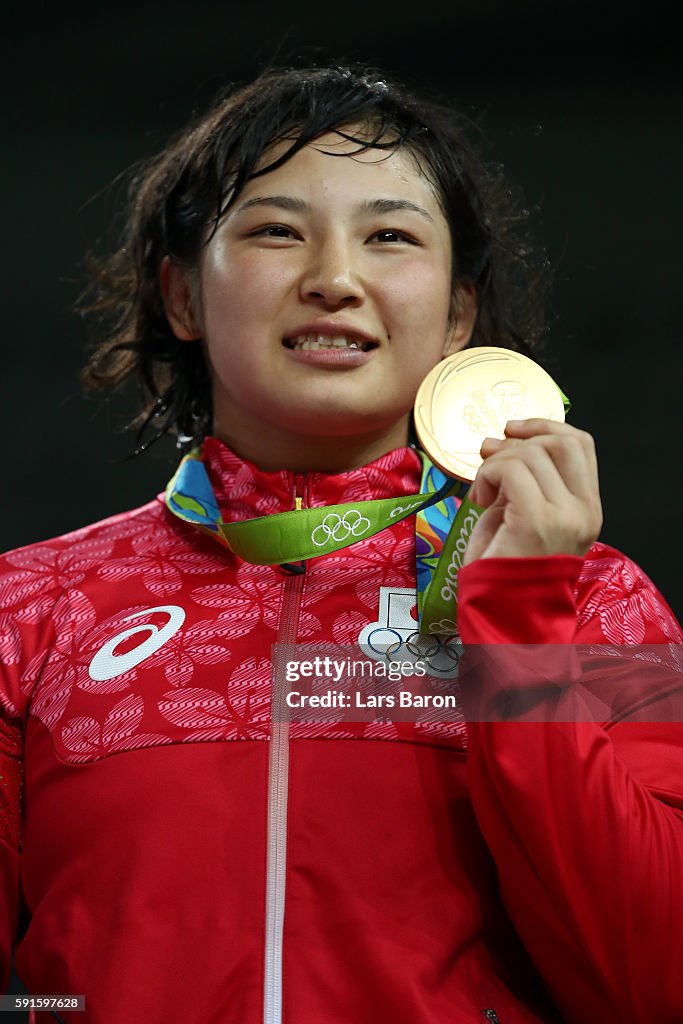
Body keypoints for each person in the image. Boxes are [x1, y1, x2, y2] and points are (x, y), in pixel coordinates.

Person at [1, 64, 681, 1024]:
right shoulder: (29, 611)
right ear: (183, 296)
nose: (332, 279)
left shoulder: (596, 600)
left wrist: (521, 620)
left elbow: (655, 982)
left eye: (389, 236)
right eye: (276, 231)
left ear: (456, 315)